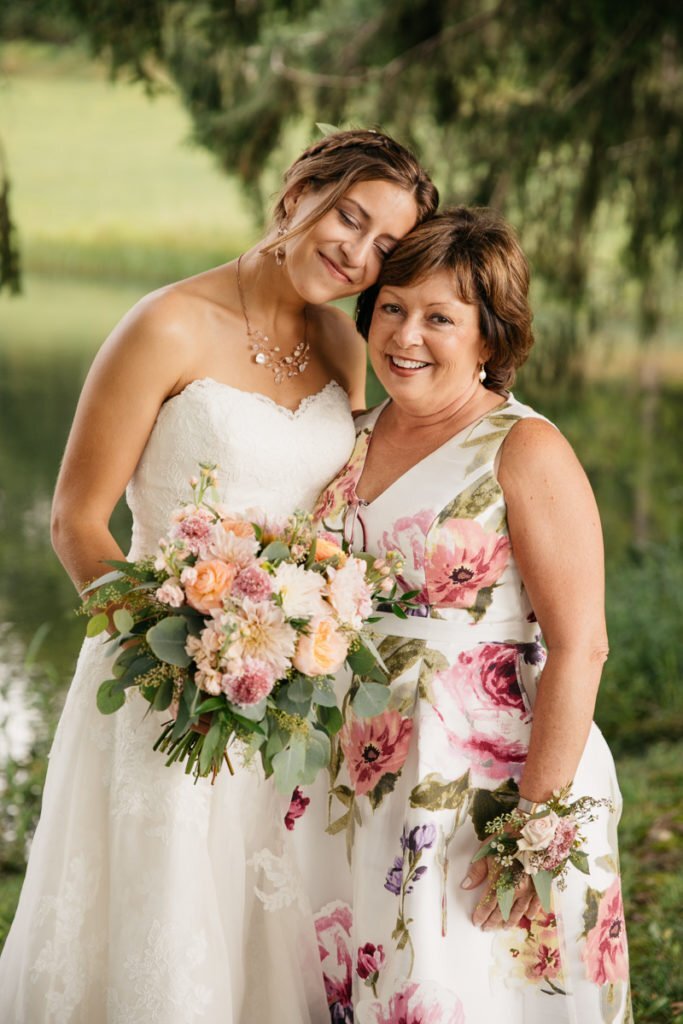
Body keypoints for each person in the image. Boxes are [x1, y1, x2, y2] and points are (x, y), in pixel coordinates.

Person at [0, 129, 438, 1024]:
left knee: (262, 920)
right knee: (161, 918)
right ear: (298, 193)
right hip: (163, 678)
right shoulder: (166, 323)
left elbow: (332, 519)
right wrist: (167, 656)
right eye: (347, 216)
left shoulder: (342, 345)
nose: (355, 252)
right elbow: (76, 519)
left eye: (384, 247)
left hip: (284, 694)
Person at [311, 208, 631, 1023]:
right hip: (357, 769)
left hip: (486, 784)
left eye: (439, 318)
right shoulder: (345, 435)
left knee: (471, 991)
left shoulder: (522, 449)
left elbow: (578, 645)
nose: (405, 335)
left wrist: (532, 826)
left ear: (489, 338)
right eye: (391, 307)